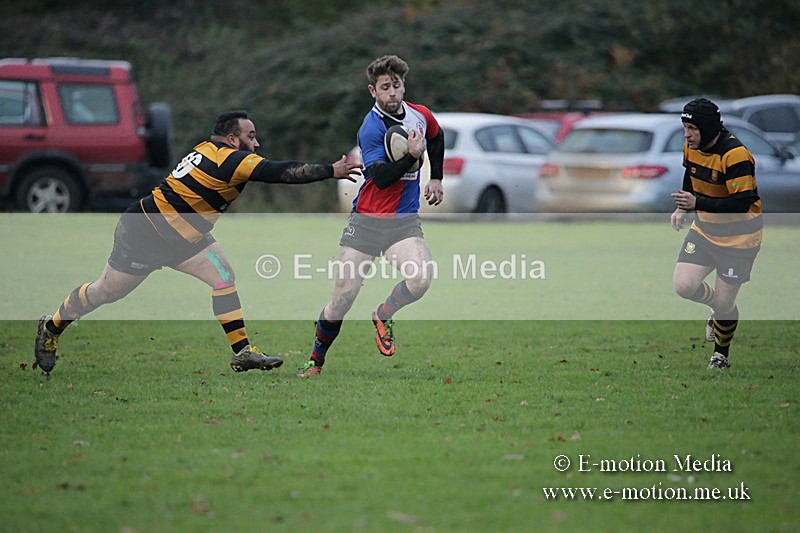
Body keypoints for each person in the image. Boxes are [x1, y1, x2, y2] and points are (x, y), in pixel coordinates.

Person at [33, 110, 361, 375]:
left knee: (223, 278)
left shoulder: (205, 149)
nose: (256, 143)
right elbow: (281, 172)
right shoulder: (230, 159)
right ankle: (52, 326)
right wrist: (330, 170)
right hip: (145, 232)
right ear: (232, 139)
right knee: (106, 291)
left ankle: (242, 352)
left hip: (185, 238)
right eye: (250, 136)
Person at [298, 55, 445, 378]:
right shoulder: (371, 127)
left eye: (396, 86)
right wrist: (412, 157)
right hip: (367, 221)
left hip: (404, 222)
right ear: (372, 91)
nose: (392, 92)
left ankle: (383, 313)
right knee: (342, 298)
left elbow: (436, 135)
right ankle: (315, 361)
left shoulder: (420, 115)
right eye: (384, 88)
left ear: (403, 86)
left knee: (421, 279)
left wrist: (436, 177)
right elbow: (380, 178)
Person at [670, 98, 762, 369]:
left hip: (739, 238)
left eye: (693, 128)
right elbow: (691, 175)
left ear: (709, 128)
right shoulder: (691, 147)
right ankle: (717, 308)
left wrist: (697, 204)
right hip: (705, 231)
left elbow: (741, 202)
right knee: (683, 286)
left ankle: (720, 356)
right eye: (685, 127)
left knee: (726, 303)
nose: (687, 134)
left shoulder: (735, 155)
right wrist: (683, 208)